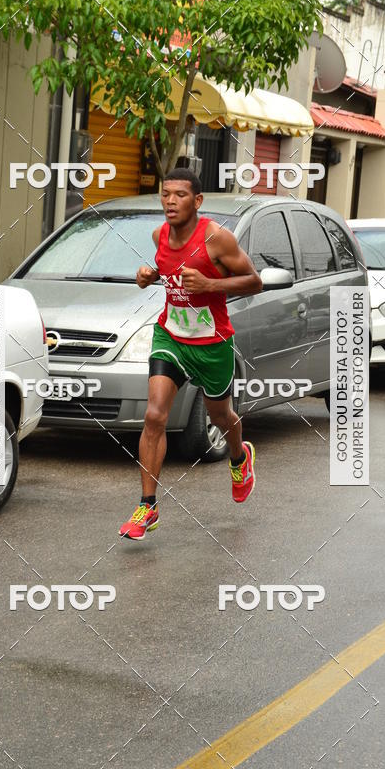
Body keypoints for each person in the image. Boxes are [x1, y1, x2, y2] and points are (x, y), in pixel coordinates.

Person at [119, 167, 263, 541]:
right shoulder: (159, 235)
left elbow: (254, 281)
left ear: (197, 201)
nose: (170, 201)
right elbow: (168, 271)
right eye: (165, 194)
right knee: (154, 415)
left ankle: (239, 457)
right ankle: (147, 506)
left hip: (212, 344)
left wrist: (211, 284)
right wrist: (149, 275)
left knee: (220, 415)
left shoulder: (216, 238)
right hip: (170, 337)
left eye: (180, 195)